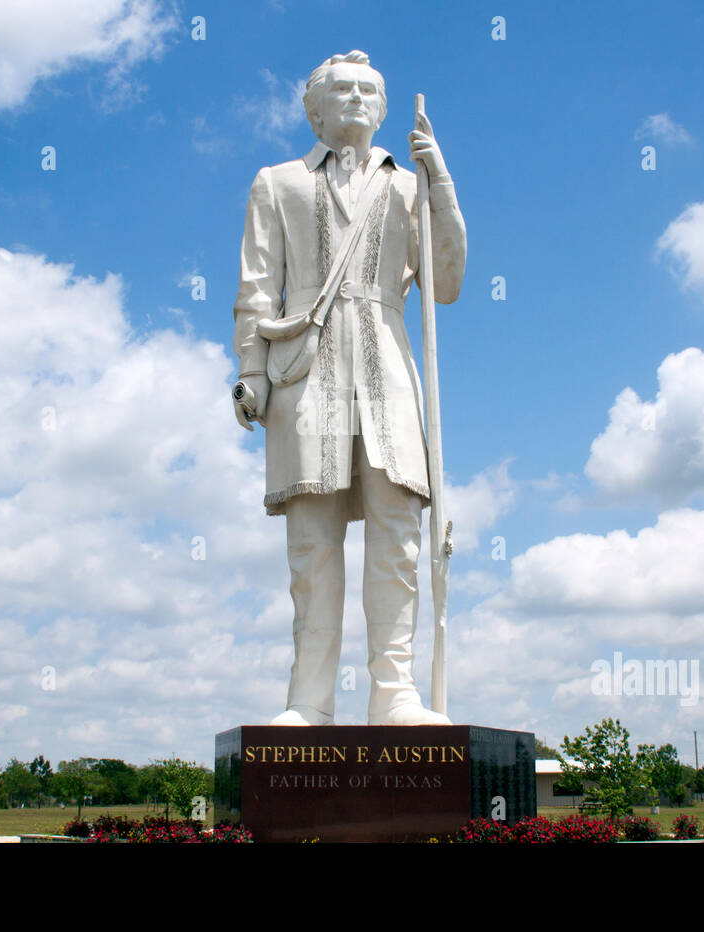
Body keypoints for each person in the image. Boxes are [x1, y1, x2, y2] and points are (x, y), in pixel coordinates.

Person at [232, 50, 466, 725]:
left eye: (369, 90)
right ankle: (308, 700)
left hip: (389, 367)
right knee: (312, 543)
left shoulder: (409, 187)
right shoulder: (276, 184)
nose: (357, 99)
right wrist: (251, 371)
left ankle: (394, 694)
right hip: (304, 370)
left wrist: (440, 182)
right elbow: (255, 289)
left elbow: (445, 286)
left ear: (384, 106)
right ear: (316, 108)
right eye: (342, 90)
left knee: (397, 536)